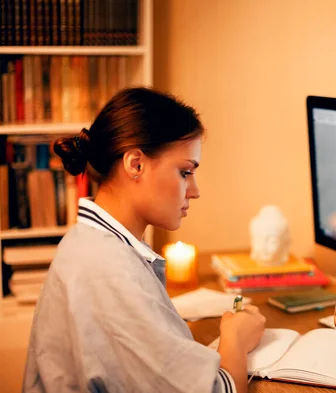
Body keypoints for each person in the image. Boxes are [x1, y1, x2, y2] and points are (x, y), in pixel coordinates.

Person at [22, 87, 266, 393]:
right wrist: (236, 336)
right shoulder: (108, 272)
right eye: (184, 172)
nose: (194, 190)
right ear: (135, 164)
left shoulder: (89, 243)